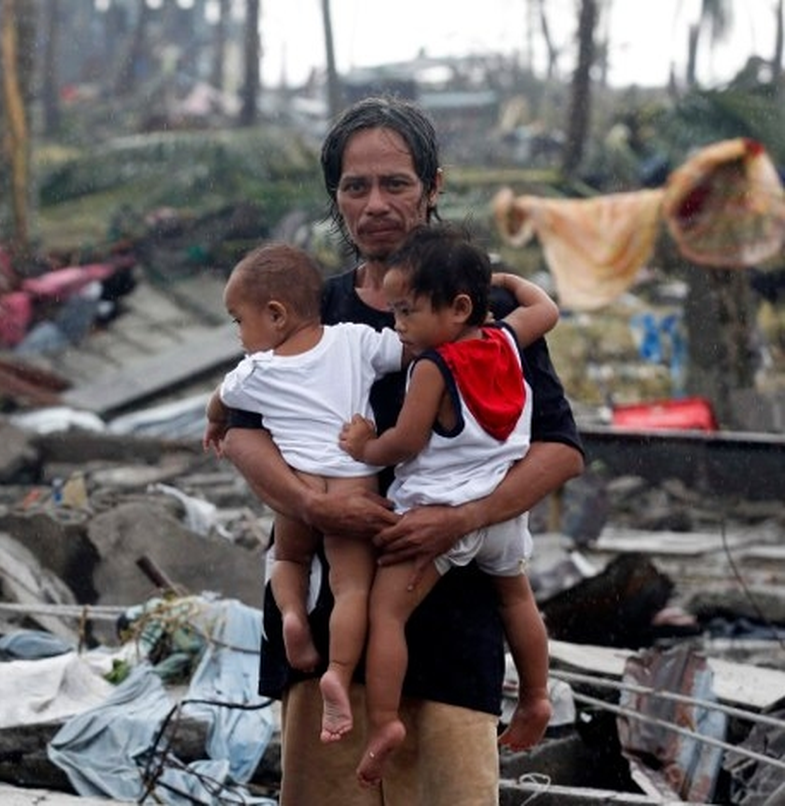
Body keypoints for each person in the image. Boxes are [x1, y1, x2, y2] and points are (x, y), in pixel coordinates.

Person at [216, 95, 584, 805]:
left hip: (453, 621)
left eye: (396, 184)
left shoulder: (477, 309)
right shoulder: (306, 312)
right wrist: (310, 506)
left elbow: (559, 450)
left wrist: (461, 519)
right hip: (327, 638)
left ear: (433, 187)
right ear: (336, 199)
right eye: (356, 187)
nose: (376, 203)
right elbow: (239, 428)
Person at [336, 223, 557, 785]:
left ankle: (384, 721)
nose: (397, 325)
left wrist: (366, 444)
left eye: (407, 312)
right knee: (515, 601)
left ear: (458, 307)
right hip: (504, 512)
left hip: (440, 514)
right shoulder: (507, 339)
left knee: (387, 613)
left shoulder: (434, 367)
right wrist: (502, 280)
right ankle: (535, 696)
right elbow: (546, 308)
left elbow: (405, 441)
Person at [202, 242, 406, 735]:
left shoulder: (257, 370)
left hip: (298, 481)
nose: (239, 333)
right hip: (353, 475)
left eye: (239, 320)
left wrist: (213, 424)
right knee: (353, 585)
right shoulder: (355, 339)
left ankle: (293, 616)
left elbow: (221, 402)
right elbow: (408, 349)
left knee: (290, 560)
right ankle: (337, 674)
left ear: (274, 315)